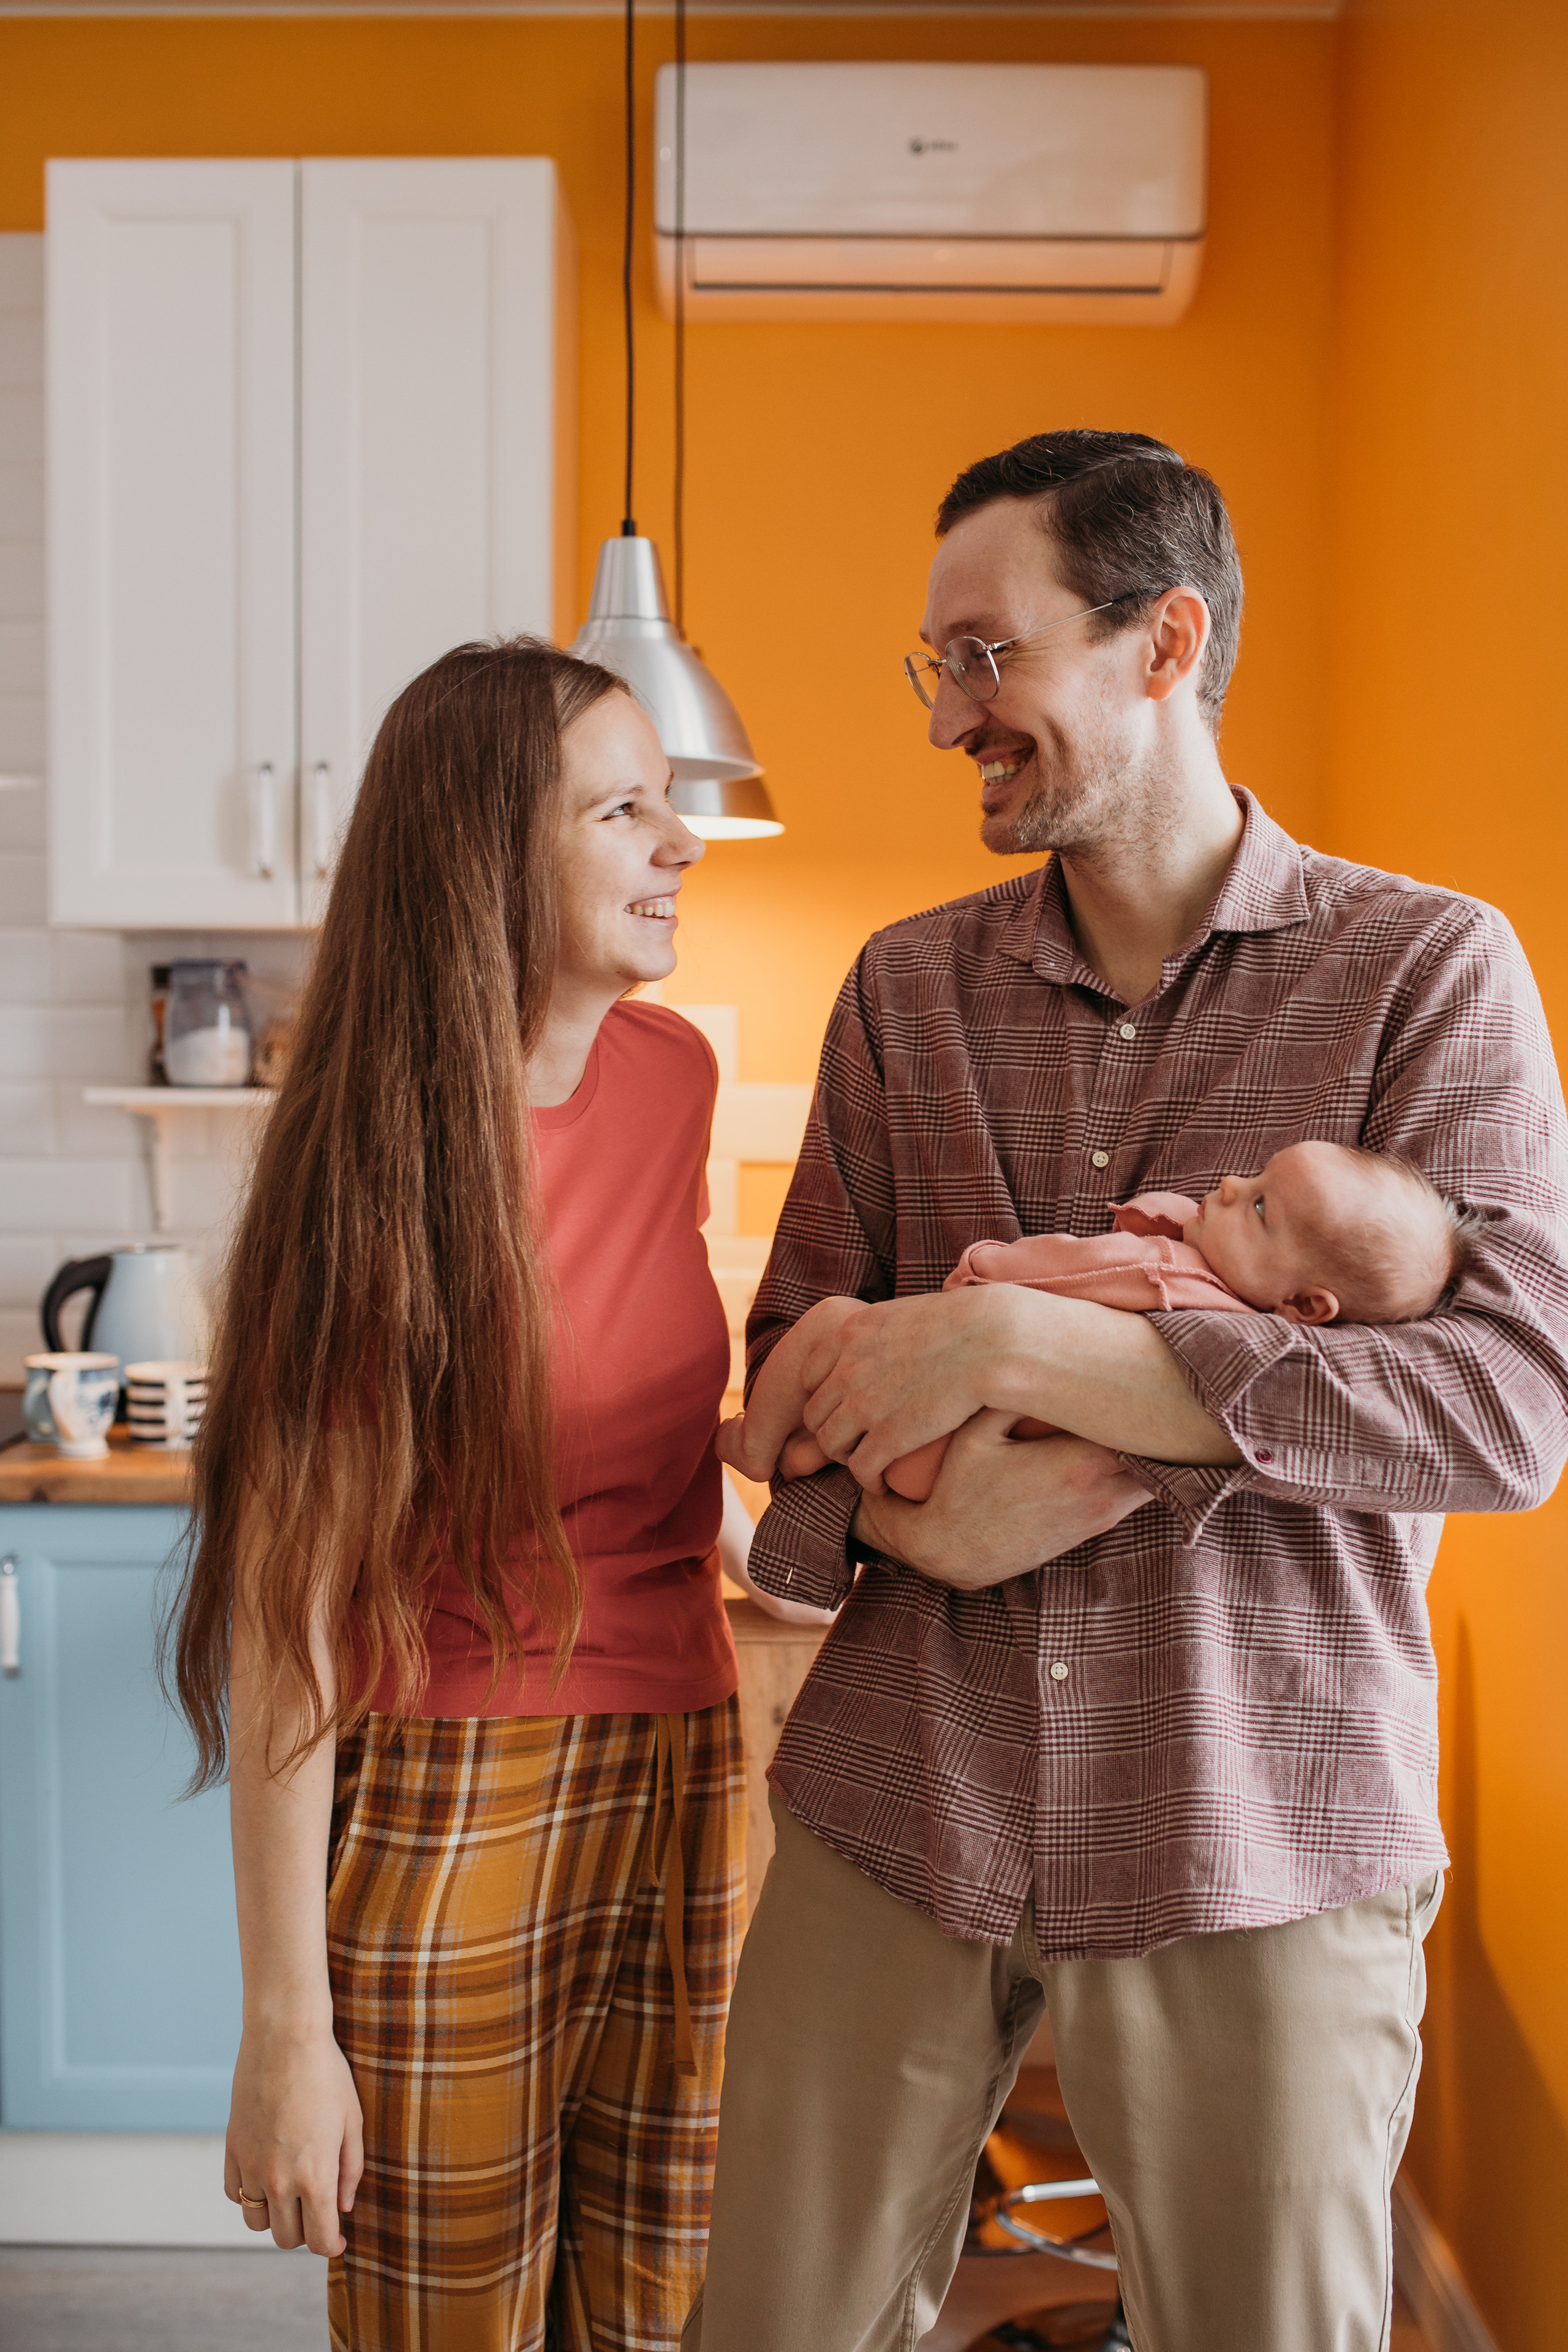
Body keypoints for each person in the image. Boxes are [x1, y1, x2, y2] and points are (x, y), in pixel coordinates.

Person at [684, 432, 1568, 2352]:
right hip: (895, 1792)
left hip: (1256, 1818)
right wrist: (908, 1511)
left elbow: (1502, 1408)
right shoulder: (900, 991)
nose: (945, 716)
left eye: (981, 655)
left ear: (1162, 643)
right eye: (930, 666)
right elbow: (788, 1376)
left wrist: (1035, 1352)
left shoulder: (1430, 971)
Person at [168, 638, 816, 2352]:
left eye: (671, 805)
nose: (677, 845)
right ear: (484, 856)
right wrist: (284, 2030)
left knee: (676, 2317)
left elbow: (627, 1423)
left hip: (691, 1780)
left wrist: (783, 1553)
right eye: (625, 810)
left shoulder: (672, 1080)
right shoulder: (365, 1166)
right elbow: (289, 1622)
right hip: (456, 1806)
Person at [720, 1141, 1476, 1499]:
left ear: (1307, 1304)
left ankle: (753, 1443)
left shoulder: (1166, 1277)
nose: (1228, 1182)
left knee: (831, 1320)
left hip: (939, 1445)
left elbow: (1055, 1269)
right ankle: (806, 1452)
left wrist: (979, 1274)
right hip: (961, 1460)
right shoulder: (1233, 1328)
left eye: (1259, 1206)